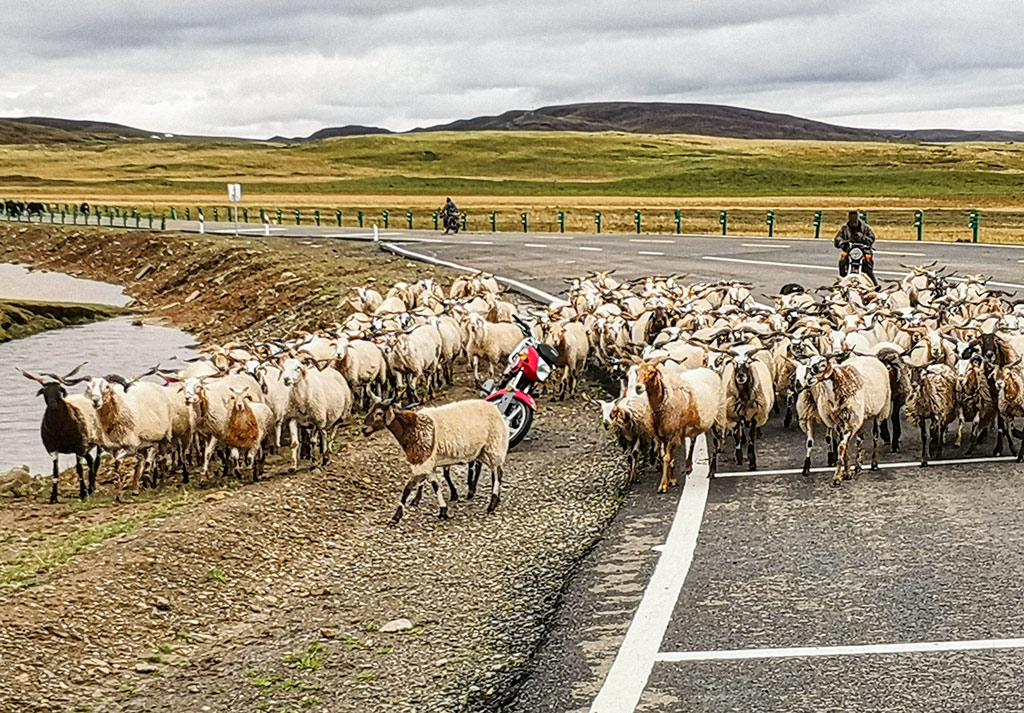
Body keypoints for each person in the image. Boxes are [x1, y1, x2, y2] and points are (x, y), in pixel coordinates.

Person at [834, 210, 878, 287]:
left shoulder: (865, 228)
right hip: (850, 250)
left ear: (858, 217)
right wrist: (841, 242)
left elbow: (872, 238)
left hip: (863, 250)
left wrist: (863, 238)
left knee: (868, 263)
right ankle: (842, 278)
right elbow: (838, 238)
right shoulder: (844, 228)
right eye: (851, 216)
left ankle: (874, 284)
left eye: (854, 216)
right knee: (842, 261)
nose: (853, 219)